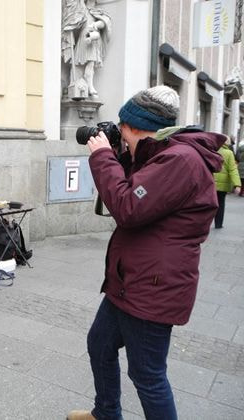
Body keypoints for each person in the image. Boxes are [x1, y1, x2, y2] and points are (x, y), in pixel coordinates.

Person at [67, 86, 225, 420]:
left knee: (147, 375)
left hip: (153, 287)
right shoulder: (161, 156)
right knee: (100, 344)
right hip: (132, 280)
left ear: (137, 127)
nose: (119, 134)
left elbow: (127, 207)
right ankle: (106, 413)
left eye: (122, 128)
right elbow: (136, 194)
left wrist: (102, 156)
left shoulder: (180, 160)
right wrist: (120, 156)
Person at [62, 0, 112, 98]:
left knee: (91, 63)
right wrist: (71, 25)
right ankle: (74, 83)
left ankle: (89, 84)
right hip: (84, 38)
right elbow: (75, 19)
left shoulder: (98, 12)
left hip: (94, 39)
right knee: (78, 63)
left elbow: (105, 21)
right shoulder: (82, 9)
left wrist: (96, 24)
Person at [213, 138, 242, 228]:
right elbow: (232, 169)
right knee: (221, 204)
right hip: (223, 184)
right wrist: (237, 184)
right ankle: (218, 224)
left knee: (210, 203)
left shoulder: (212, 150)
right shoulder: (229, 153)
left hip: (211, 182)